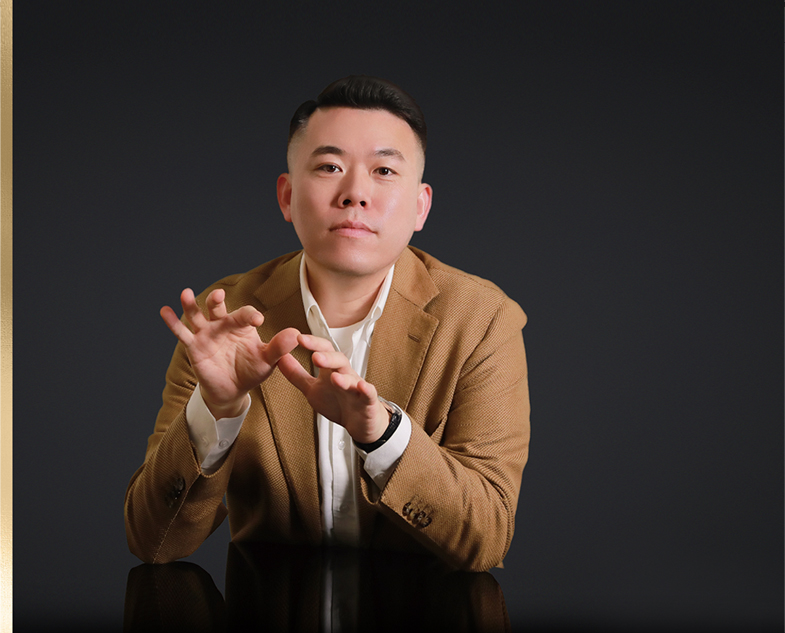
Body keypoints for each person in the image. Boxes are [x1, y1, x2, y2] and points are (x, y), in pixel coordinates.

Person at [124, 75, 530, 572]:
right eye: (330, 167)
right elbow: (154, 542)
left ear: (421, 206)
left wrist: (382, 435)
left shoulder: (482, 319)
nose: (355, 193)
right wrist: (217, 409)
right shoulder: (224, 319)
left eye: (384, 170)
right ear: (287, 196)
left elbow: (487, 538)